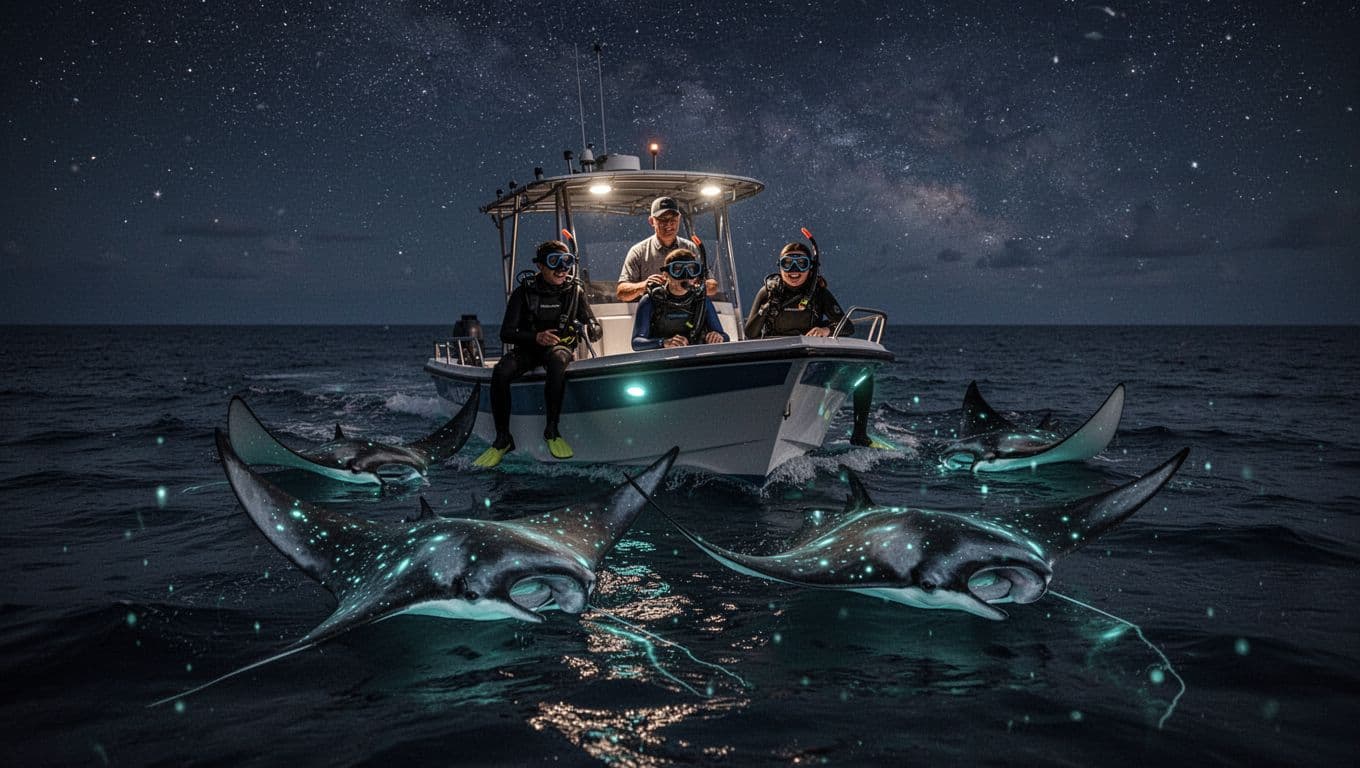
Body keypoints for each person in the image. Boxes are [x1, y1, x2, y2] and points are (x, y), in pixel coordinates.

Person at [473, 240, 601, 468]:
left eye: (567, 262)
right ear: (540, 266)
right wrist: (535, 337)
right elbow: (506, 333)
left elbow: (589, 319)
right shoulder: (524, 292)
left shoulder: (575, 291)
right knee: (501, 371)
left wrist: (593, 327)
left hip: (559, 348)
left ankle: (552, 429)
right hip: (529, 349)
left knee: (559, 359)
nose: (562, 269)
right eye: (554, 262)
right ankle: (503, 438)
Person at [744, 242, 882, 448]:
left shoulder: (819, 293)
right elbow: (750, 333)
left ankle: (859, 434)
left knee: (865, 372)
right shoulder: (768, 292)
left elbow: (847, 326)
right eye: (787, 263)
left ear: (811, 267)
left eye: (801, 263)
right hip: (773, 359)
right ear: (779, 266)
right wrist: (766, 308)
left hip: (807, 363)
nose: (794, 271)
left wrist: (826, 330)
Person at [616, 196, 716, 301]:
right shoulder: (638, 252)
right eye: (662, 219)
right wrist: (644, 285)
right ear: (651, 221)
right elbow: (621, 292)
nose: (668, 223)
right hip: (651, 313)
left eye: (673, 219)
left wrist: (694, 286)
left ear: (679, 218)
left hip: (690, 313)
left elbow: (712, 286)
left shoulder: (691, 248)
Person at [631, 249, 729, 350]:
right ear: (665, 275)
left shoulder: (702, 300)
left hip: (694, 358)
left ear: (696, 276)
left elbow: (725, 337)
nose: (685, 276)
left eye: (691, 270)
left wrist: (718, 337)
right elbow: (637, 343)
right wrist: (664, 342)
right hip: (663, 360)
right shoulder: (650, 300)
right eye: (677, 270)